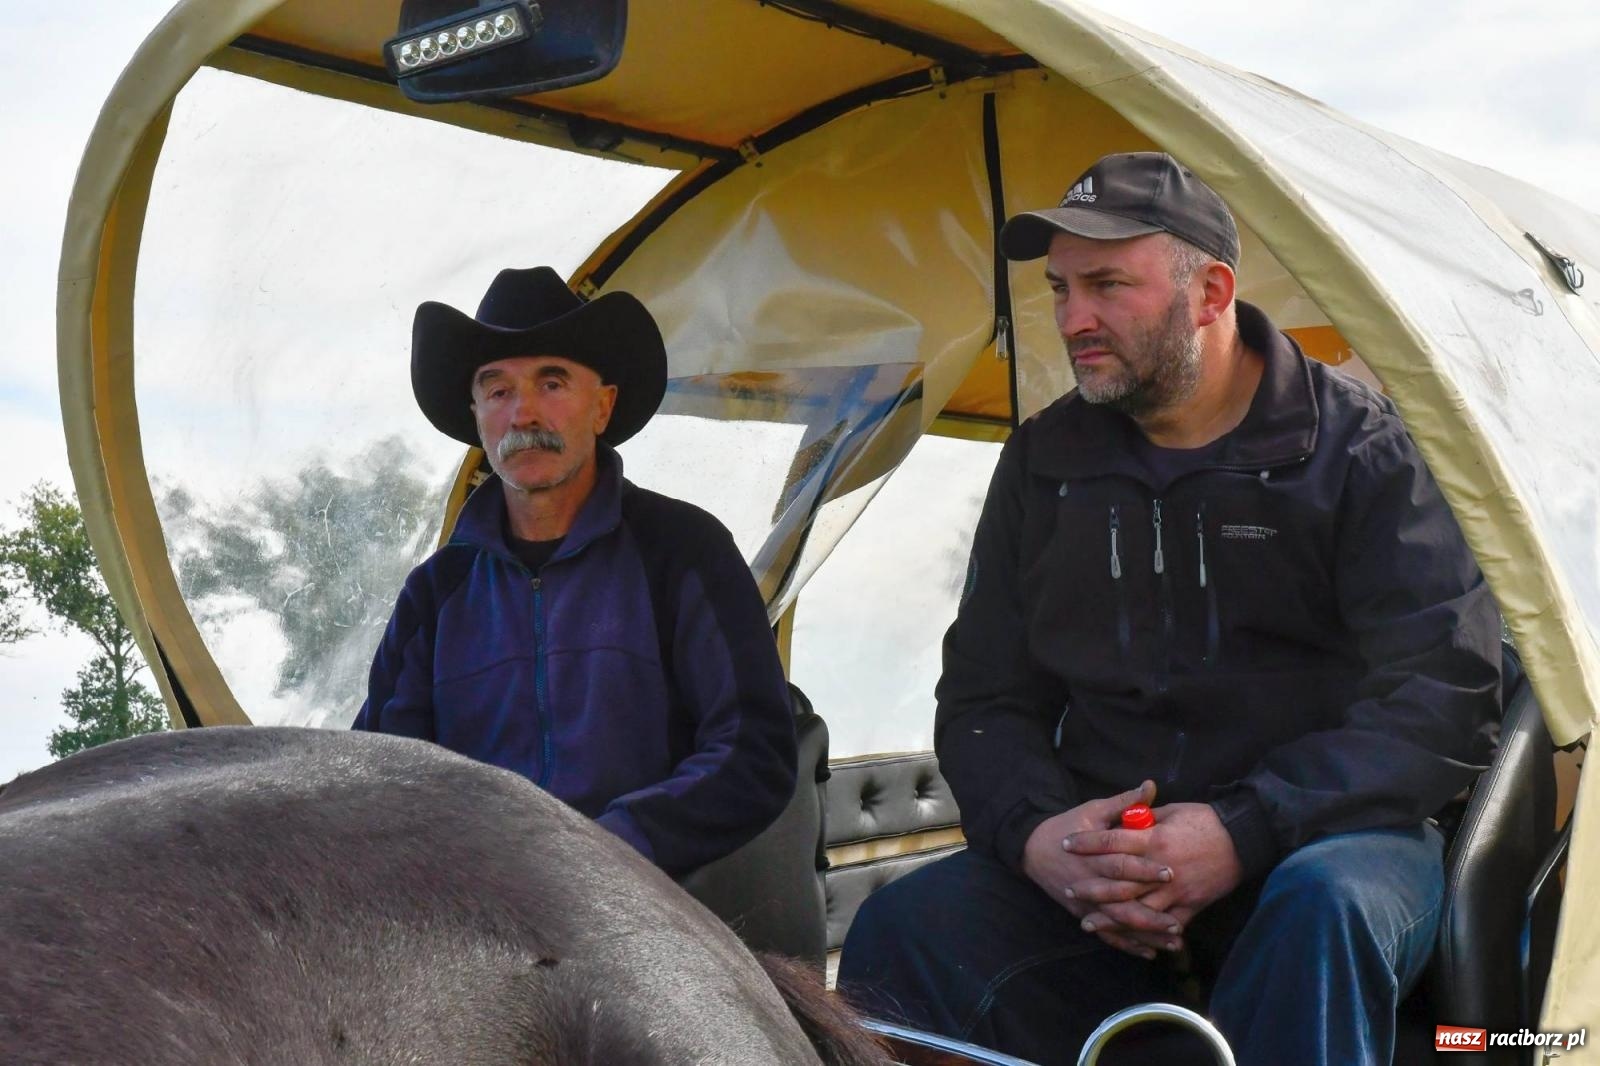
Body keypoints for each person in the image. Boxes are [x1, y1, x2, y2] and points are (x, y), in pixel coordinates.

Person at [837, 153, 1501, 1065]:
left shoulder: (1360, 457)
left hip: (1323, 843)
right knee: (905, 929)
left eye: (1108, 285)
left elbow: (1446, 699)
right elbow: (987, 698)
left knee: (1326, 908)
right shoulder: (1044, 464)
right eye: (1061, 289)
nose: (1074, 319)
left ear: (1211, 292)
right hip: (1104, 873)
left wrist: (1240, 832)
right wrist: (1041, 838)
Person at [354, 266, 797, 877]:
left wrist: (615, 846)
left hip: (656, 905)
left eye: (552, 382)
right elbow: (384, 774)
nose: (524, 412)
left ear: (602, 406)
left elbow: (754, 750)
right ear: (478, 414)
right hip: (481, 909)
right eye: (498, 389)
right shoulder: (436, 593)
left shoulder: (683, 551)